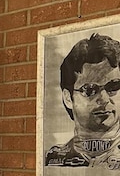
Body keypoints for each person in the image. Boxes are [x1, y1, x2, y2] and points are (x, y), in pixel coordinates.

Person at [45, 32, 120, 168]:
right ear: (68, 98)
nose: (104, 99)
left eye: (114, 86)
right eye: (90, 89)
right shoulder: (54, 160)